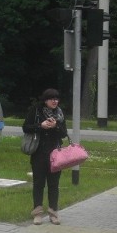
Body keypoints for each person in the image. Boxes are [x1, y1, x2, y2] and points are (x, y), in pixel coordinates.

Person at [21, 88, 68, 225]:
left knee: (54, 184)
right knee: (39, 183)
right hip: (39, 153)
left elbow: (64, 133)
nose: (55, 101)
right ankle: (37, 213)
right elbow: (25, 127)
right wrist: (40, 126)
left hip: (55, 154)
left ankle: (53, 213)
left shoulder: (59, 113)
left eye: (57, 99)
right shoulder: (36, 110)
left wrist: (56, 127)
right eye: (52, 99)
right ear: (45, 100)